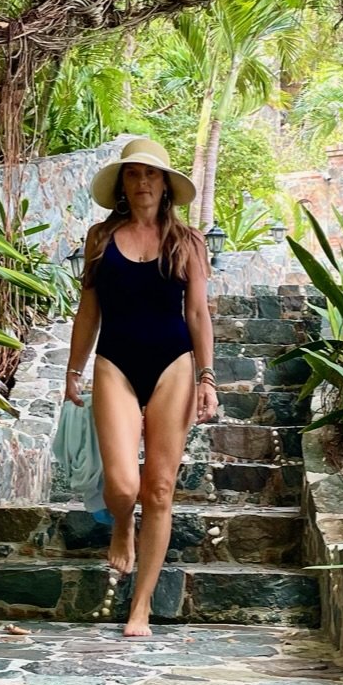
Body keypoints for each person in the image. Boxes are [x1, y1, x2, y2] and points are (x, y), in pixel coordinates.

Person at [63, 135, 218, 636]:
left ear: (167, 185)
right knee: (124, 484)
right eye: (133, 174)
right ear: (122, 186)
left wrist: (206, 377)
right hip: (115, 362)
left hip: (173, 362)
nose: (143, 182)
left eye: (151, 174)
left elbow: (197, 313)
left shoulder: (188, 242)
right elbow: (89, 309)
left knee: (159, 488)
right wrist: (72, 370)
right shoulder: (99, 239)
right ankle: (120, 527)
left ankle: (141, 606)